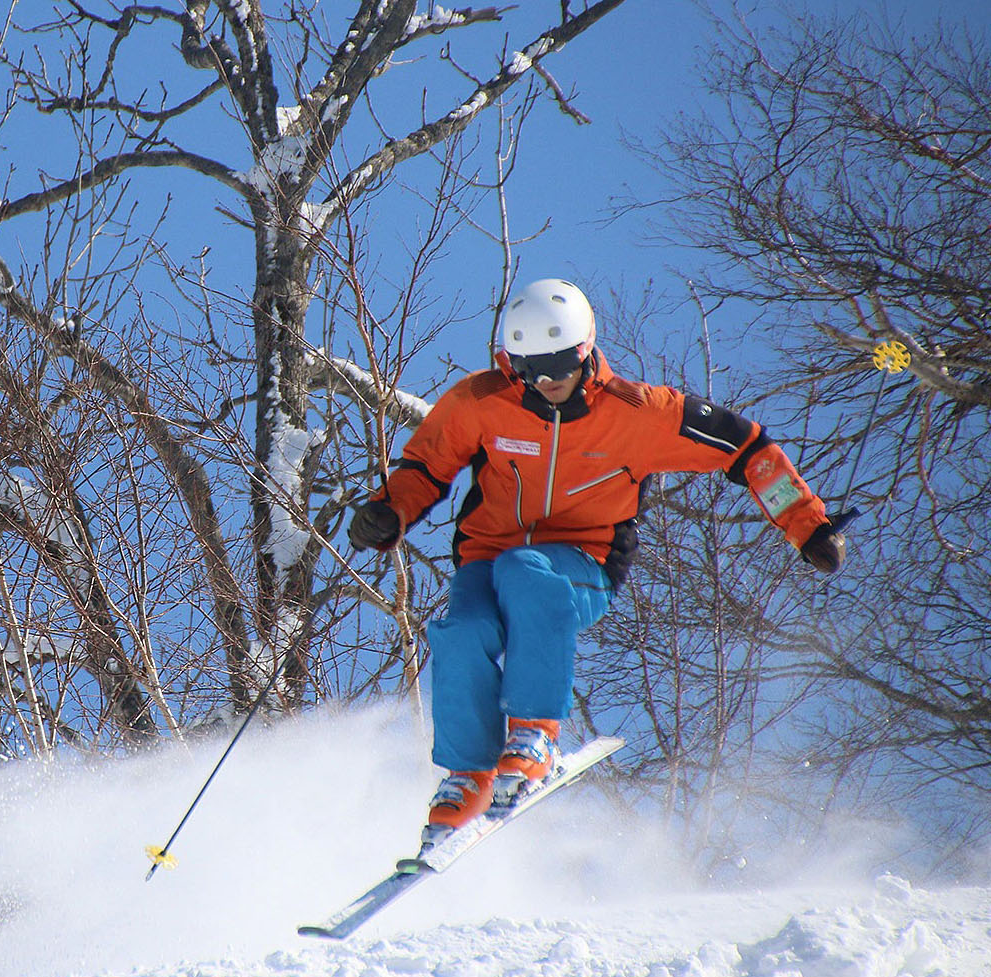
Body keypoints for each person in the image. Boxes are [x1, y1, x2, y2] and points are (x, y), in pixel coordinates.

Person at [347, 278, 844, 847]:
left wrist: (807, 524)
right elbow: (426, 465)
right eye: (532, 367)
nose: (548, 379)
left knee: (526, 574)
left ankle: (534, 735)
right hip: (487, 554)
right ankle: (469, 776)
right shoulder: (481, 402)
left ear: (586, 350)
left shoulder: (638, 414)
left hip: (582, 563)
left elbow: (747, 447)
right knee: (461, 629)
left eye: (560, 362)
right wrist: (389, 511)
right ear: (510, 362)